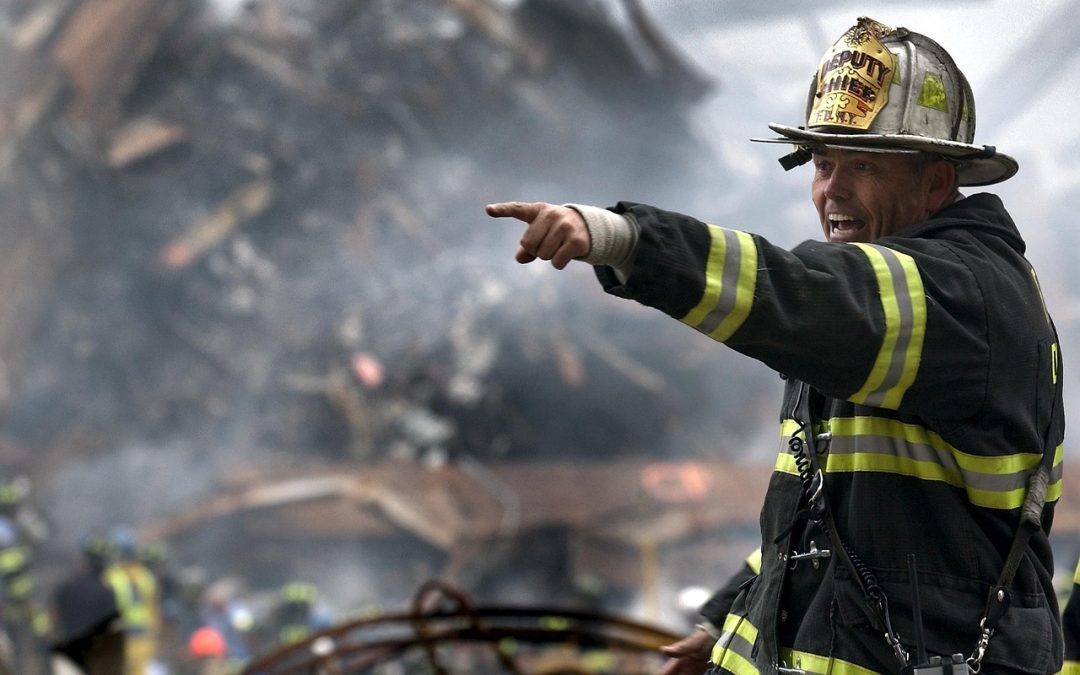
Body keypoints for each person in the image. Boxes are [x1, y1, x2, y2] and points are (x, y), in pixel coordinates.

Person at [487, 16, 1064, 675]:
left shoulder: (960, 293)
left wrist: (629, 240)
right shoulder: (886, 315)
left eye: (863, 166)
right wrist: (731, 620)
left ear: (935, 183)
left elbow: (800, 291)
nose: (832, 190)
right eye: (823, 164)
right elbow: (824, 513)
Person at [50, 535, 124, 675]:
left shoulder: (66, 588)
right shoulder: (106, 592)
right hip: (96, 655)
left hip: (70, 651)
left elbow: (54, 618)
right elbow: (112, 628)